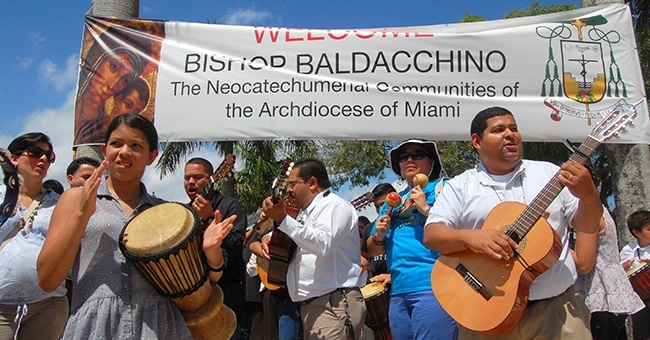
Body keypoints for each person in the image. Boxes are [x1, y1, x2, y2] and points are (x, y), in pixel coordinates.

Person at [37, 113, 234, 338]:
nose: (124, 152)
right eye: (116, 144)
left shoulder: (166, 212)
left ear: (151, 156)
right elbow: (48, 279)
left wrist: (211, 251)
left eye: (136, 145)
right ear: (104, 150)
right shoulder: (76, 199)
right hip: (97, 326)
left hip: (160, 327)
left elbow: (209, 278)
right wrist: (82, 214)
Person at [424, 106, 603, 339]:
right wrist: (472, 237)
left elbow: (588, 225)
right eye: (499, 130)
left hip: (557, 312)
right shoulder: (460, 186)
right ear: (477, 141)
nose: (510, 134)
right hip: (483, 313)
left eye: (514, 128)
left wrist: (589, 195)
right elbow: (432, 235)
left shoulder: (552, 174)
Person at [261, 158, 366, 339]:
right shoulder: (304, 213)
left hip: (333, 304)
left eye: (293, 184)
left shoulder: (334, 206)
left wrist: (283, 220)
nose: (289, 189)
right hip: (312, 305)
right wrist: (267, 238)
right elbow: (299, 239)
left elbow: (322, 243)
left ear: (312, 183)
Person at [368, 139, 457, 339]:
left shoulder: (446, 189)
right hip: (398, 290)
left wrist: (426, 210)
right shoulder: (391, 202)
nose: (409, 160)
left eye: (417, 155)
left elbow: (460, 230)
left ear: (431, 162)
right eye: (403, 157)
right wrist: (379, 235)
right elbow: (373, 250)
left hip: (434, 286)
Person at [0, 132, 68, 340]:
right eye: (35, 152)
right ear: (13, 158)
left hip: (49, 306)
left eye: (49, 156)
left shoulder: (60, 203)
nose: (43, 159)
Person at [183, 157, 248, 339]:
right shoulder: (185, 213)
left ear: (211, 178)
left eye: (197, 177)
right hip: (196, 295)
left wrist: (210, 219)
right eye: (187, 178)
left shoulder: (231, 206)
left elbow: (236, 245)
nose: (191, 182)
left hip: (228, 291)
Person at [570, 208, 645, 340]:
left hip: (599, 294)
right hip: (606, 296)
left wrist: (555, 241)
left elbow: (584, 265)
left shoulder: (589, 212)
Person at [74, 22, 151, 145]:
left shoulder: (103, 131)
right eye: (114, 67)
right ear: (98, 58)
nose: (113, 85)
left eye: (125, 80)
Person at [620, 209, 650, 340]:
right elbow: (618, 274)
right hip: (640, 301)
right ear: (636, 233)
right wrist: (624, 268)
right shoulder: (628, 250)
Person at [361, 183, 396, 284]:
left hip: (399, 280)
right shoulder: (369, 228)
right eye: (376, 206)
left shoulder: (404, 224)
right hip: (375, 282)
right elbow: (364, 255)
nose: (380, 210)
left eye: (383, 204)